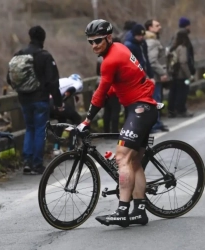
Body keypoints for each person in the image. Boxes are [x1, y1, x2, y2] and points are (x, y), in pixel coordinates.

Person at [77, 19, 158, 228]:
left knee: (122, 158)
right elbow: (123, 82)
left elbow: (101, 90)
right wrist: (109, 95)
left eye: (97, 41)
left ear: (109, 38)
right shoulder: (120, 48)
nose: (94, 45)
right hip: (142, 107)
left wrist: (87, 120)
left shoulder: (109, 60)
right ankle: (139, 211)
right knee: (134, 162)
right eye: (90, 42)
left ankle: (122, 210)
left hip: (140, 108)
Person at [7, 25, 63, 175]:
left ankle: (27, 161)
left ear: (30, 37)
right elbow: (53, 82)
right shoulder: (44, 56)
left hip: (24, 99)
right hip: (40, 99)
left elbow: (9, 78)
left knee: (30, 128)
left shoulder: (19, 55)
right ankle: (37, 163)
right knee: (39, 130)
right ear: (43, 38)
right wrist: (58, 102)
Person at [145, 19, 169, 132]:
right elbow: (153, 60)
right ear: (150, 28)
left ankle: (157, 122)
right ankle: (154, 123)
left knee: (156, 99)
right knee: (155, 100)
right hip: (154, 76)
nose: (160, 27)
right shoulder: (153, 42)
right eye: (157, 25)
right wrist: (162, 72)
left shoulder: (149, 40)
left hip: (152, 76)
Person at [50, 74, 83, 156]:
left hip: (47, 103)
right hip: (55, 102)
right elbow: (70, 90)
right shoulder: (77, 82)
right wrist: (61, 102)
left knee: (62, 121)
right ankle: (72, 149)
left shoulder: (65, 80)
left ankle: (56, 148)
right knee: (76, 119)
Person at [97, 37, 122, 133]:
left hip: (101, 85)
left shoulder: (101, 56)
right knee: (115, 109)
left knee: (107, 109)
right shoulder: (115, 57)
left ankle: (106, 131)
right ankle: (115, 130)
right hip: (112, 87)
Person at [168, 30, 194, 118]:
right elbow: (183, 62)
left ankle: (171, 110)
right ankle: (181, 110)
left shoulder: (174, 47)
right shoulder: (182, 48)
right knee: (182, 92)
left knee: (173, 92)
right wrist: (189, 75)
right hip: (181, 74)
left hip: (174, 73)